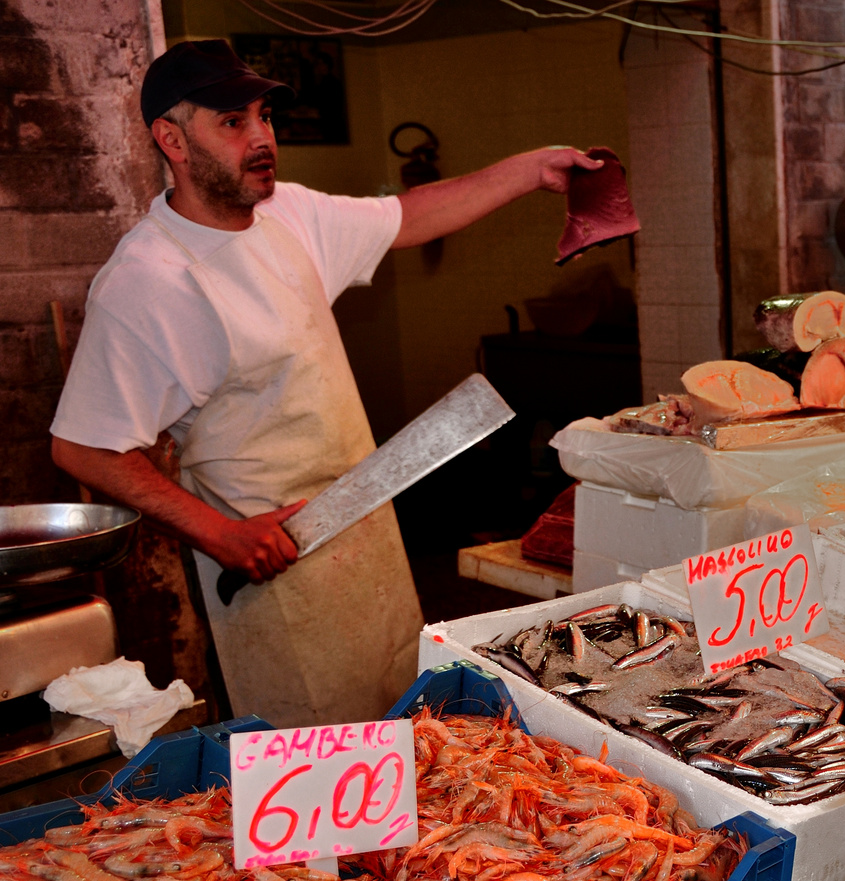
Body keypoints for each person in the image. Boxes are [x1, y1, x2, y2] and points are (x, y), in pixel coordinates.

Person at [51, 40, 602, 728]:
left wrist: (530, 170)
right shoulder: (147, 280)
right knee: (318, 761)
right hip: (272, 573)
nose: (261, 138)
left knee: (404, 727)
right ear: (172, 139)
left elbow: (412, 214)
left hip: (366, 540)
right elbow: (84, 448)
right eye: (232, 122)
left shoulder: (290, 215)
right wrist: (219, 535)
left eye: (264, 116)